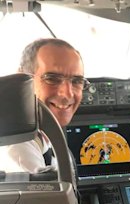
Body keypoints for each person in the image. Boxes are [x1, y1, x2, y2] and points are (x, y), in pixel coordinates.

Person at [0, 38, 87, 173]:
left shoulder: (45, 136)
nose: (67, 94)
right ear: (23, 81)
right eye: (52, 78)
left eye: (77, 81)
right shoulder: (17, 145)